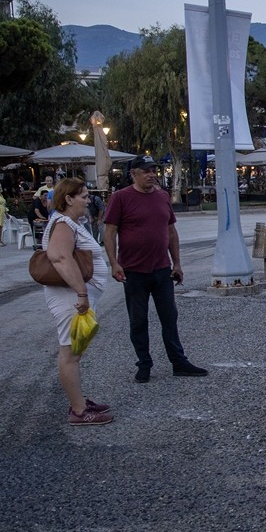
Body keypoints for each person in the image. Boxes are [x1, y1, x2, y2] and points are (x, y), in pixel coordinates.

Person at [103, 156, 208, 383]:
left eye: (154, 170)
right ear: (134, 174)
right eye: (146, 171)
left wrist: (177, 263)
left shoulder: (162, 197)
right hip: (133, 271)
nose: (151, 174)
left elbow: (171, 232)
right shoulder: (120, 198)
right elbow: (110, 232)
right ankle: (144, 364)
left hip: (161, 269)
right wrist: (113, 263)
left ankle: (178, 361)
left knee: (169, 317)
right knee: (138, 320)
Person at [43, 178, 112, 425]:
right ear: (68, 199)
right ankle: (79, 411)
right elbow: (59, 257)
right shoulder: (63, 223)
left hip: (75, 295)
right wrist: (81, 292)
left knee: (75, 351)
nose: (87, 200)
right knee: (70, 352)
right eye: (82, 196)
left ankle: (79, 401)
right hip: (70, 297)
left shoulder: (71, 222)